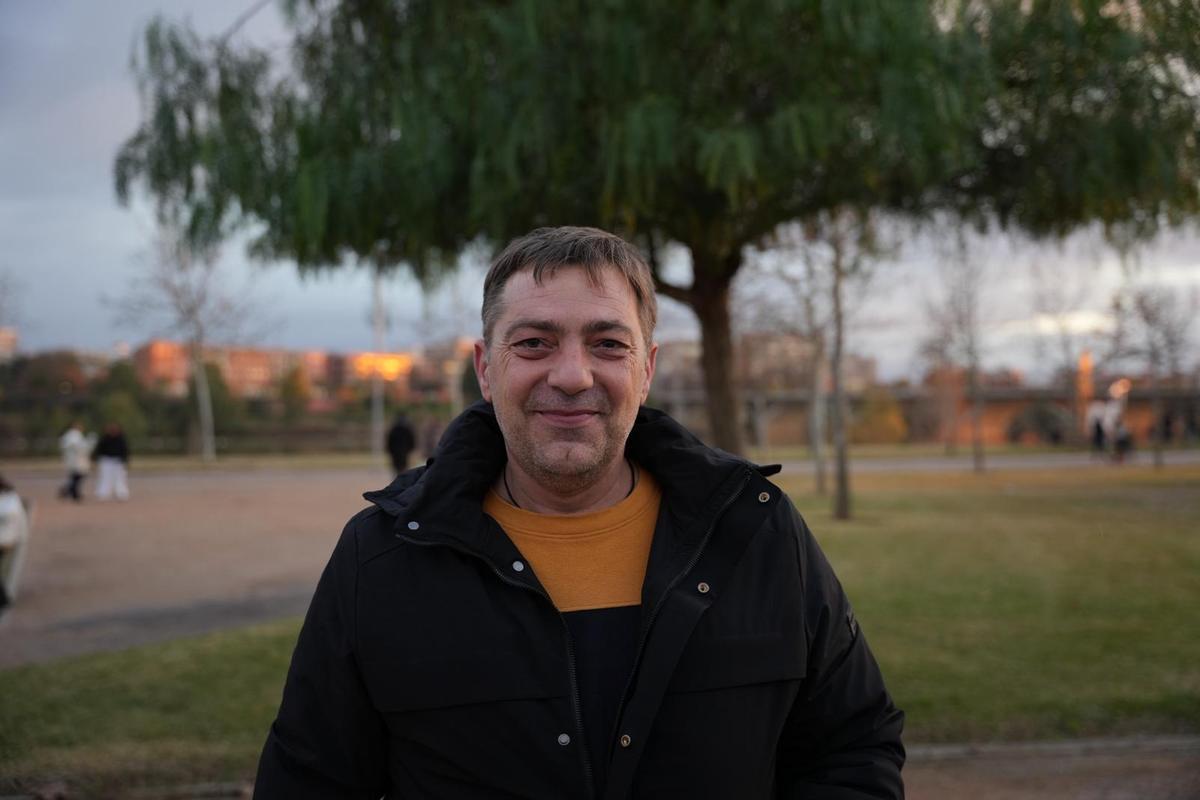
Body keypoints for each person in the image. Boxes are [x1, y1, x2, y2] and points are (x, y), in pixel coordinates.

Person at [255, 227, 904, 798]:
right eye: (535, 342)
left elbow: (852, 745)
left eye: (607, 344)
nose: (571, 375)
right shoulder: (385, 557)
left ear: (646, 370)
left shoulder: (754, 533)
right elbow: (310, 780)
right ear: (486, 368)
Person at [0, 473, 31, 612]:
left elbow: (14, 519)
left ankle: (4, 600)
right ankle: (4, 599)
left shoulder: (9, 500)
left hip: (4, 540)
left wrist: (20, 540)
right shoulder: (11, 498)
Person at [92, 422, 131, 501]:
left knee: (120, 477)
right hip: (106, 460)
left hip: (118, 461)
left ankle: (121, 493)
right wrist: (95, 458)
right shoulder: (104, 439)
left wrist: (126, 460)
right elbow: (98, 450)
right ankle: (103, 493)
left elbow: (125, 450)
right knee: (105, 477)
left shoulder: (121, 439)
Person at [57, 421, 94, 502]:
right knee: (78, 476)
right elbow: (78, 446)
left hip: (74, 460)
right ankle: (73, 493)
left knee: (76, 477)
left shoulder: (70, 435)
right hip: (76, 460)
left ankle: (70, 491)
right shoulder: (73, 435)